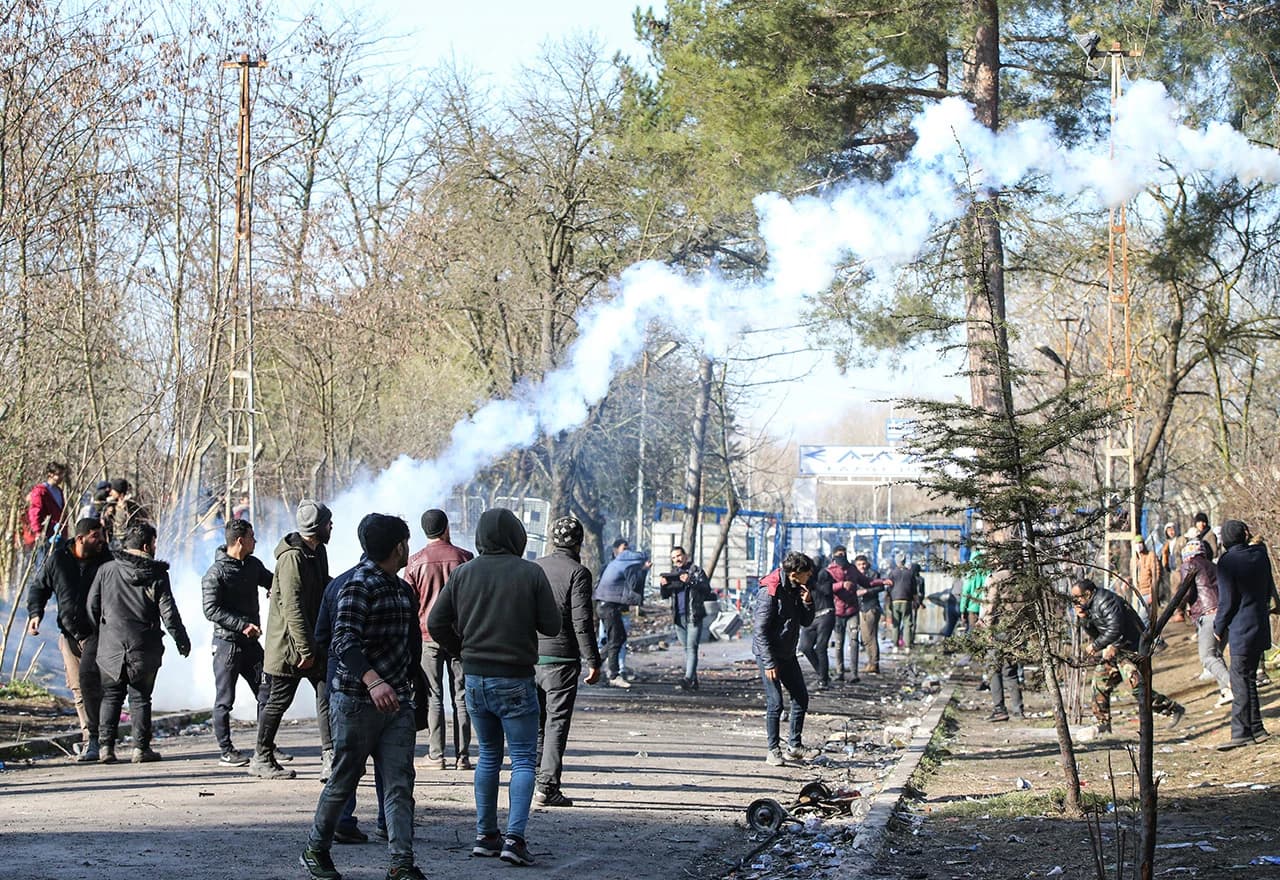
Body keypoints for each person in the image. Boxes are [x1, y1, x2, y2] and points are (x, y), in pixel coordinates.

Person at [428, 508, 560, 867]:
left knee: (488, 755)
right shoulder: (530, 572)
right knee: (522, 760)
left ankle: (486, 836)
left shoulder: (464, 573)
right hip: (515, 679)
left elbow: (436, 622)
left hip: (474, 680)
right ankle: (514, 840)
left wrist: (462, 651)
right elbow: (551, 625)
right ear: (517, 536)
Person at [301, 514, 425, 880]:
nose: (408, 548)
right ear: (398, 546)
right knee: (344, 779)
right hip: (356, 701)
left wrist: (410, 688)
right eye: (406, 542)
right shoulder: (357, 585)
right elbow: (342, 642)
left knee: (400, 784)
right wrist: (374, 682)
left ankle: (401, 864)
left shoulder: (403, 589)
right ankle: (315, 849)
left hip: (397, 705)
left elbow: (409, 647)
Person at [87, 521, 191, 763]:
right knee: (141, 697)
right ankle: (140, 749)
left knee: (111, 696)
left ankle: (106, 749)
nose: (156, 547)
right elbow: (169, 613)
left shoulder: (106, 570)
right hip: (144, 646)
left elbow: (92, 605)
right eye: (154, 543)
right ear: (146, 545)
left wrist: (101, 630)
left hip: (110, 645)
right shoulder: (157, 575)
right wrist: (181, 640)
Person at [313, 521, 386, 846]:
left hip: (341, 681)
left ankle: (343, 819)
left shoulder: (336, 585)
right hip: (382, 681)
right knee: (388, 758)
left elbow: (321, 637)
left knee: (348, 756)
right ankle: (389, 820)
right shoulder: (389, 587)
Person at [253, 499, 333, 780]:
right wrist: (305, 649)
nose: (331, 526)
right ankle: (261, 757)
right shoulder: (292, 559)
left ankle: (330, 758)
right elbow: (293, 607)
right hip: (291, 647)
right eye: (328, 523)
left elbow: (324, 586)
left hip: (312, 642)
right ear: (317, 527)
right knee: (278, 701)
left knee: (327, 696)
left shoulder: (317, 551)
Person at [25, 517, 111, 760]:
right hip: (69, 635)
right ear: (81, 538)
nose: (101, 541)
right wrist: (35, 613)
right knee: (78, 689)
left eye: (102, 535)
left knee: (92, 682)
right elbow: (39, 588)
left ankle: (103, 738)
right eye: (96, 536)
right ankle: (91, 740)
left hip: (99, 632)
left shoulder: (106, 559)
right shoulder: (59, 560)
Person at [532, 515, 601, 807]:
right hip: (561, 660)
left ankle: (534, 779)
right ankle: (547, 787)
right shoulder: (579, 573)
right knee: (556, 723)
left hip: (530, 656)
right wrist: (593, 660)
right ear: (579, 542)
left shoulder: (535, 568)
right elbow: (581, 621)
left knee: (537, 723)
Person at [403, 508, 474, 770]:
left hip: (427, 637)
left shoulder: (414, 562)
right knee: (461, 696)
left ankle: (436, 754)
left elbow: (409, 604)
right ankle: (463, 756)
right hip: (459, 638)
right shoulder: (465, 558)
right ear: (446, 528)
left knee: (434, 695)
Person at [1070, 578, 1184, 735]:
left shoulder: (1106, 601)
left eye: (1078, 597)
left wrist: (1098, 646)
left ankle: (1172, 708)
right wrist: (1084, 619)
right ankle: (1103, 724)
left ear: (1088, 594)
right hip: (1116, 649)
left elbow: (1115, 629)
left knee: (1137, 687)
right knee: (1100, 682)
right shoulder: (1089, 606)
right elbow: (1097, 633)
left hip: (1131, 648)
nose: (1075, 601)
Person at [201, 518, 273, 767]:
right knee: (225, 700)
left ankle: (266, 747)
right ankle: (226, 750)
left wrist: (278, 588)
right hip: (227, 645)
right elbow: (210, 609)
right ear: (240, 541)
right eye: (253, 537)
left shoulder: (252, 565)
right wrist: (242, 625)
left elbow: (270, 579)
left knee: (267, 692)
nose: (256, 541)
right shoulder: (216, 573)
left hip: (252, 646)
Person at [1213, 520, 1273, 750]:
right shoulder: (1260, 555)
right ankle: (1257, 728)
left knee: (1240, 680)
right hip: (1260, 625)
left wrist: (1219, 628)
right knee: (1249, 679)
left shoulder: (1227, 562)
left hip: (1240, 629)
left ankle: (1240, 732)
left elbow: (1227, 601)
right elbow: (1268, 589)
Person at [753, 551, 815, 765]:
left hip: (787, 653)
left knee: (800, 696)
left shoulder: (798, 589)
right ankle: (773, 750)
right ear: (795, 573)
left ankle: (794, 746)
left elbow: (806, 622)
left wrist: (808, 602)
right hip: (768, 654)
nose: (810, 576)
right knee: (775, 702)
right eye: (807, 573)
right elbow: (760, 631)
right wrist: (769, 662)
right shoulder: (770, 591)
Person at [1177, 539, 1231, 706]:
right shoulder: (1213, 566)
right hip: (1224, 614)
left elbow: (1186, 591)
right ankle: (1226, 691)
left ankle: (1234, 686)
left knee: (1207, 657)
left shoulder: (1189, 564)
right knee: (1216, 654)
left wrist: (1179, 607)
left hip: (1208, 614)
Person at [593, 537, 649, 689]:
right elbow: (634, 585)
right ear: (616, 549)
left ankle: (596, 664)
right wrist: (643, 568)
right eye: (625, 548)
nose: (628, 551)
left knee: (618, 638)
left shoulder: (617, 563)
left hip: (608, 606)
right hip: (609, 607)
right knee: (615, 639)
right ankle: (613, 675)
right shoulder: (626, 562)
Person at [658, 545, 712, 691]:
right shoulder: (673, 573)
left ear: (685, 556)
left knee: (692, 647)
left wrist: (690, 581)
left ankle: (688, 679)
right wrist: (663, 586)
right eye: (674, 558)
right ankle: (693, 680)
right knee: (687, 649)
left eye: (679, 556)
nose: (677, 559)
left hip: (694, 614)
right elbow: (665, 595)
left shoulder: (696, 571)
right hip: (678, 616)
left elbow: (706, 589)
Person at [976, 568, 1023, 722]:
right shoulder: (1022, 576)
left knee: (993, 668)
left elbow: (991, 605)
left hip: (999, 628)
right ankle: (1018, 710)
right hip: (1016, 628)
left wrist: (988, 629)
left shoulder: (996, 578)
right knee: (1011, 669)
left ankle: (999, 709)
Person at [798, 549, 836, 689]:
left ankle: (823, 680)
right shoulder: (803, 575)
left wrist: (813, 582)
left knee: (820, 647)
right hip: (811, 616)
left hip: (826, 613)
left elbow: (826, 591)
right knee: (805, 647)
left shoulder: (823, 574)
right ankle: (822, 674)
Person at [23, 463, 68, 573]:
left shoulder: (59, 491)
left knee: (58, 568)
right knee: (44, 567)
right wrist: (38, 532)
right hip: (46, 535)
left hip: (58, 534)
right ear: (50, 474)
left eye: (62, 474)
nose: (61, 477)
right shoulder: (40, 491)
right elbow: (35, 511)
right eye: (58, 474)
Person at [826, 546, 859, 681]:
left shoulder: (852, 569)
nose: (842, 557)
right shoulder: (829, 571)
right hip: (838, 611)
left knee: (854, 641)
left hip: (852, 610)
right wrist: (841, 585)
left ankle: (854, 673)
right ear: (834, 556)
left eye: (844, 554)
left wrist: (881, 582)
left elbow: (865, 581)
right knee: (839, 643)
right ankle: (840, 672)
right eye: (840, 555)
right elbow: (826, 587)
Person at [887, 555, 923, 652]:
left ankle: (895, 645)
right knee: (907, 623)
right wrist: (916, 601)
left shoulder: (892, 573)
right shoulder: (910, 573)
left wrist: (888, 602)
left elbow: (888, 588)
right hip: (907, 600)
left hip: (895, 600)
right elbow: (914, 589)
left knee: (896, 624)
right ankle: (907, 646)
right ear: (905, 561)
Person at [1132, 536, 1160, 624]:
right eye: (1136, 543)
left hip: (1148, 593)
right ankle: (1155, 638)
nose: (1138, 545)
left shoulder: (1151, 556)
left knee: (1142, 619)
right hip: (1138, 593)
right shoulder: (1133, 560)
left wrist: (1153, 593)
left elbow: (1156, 575)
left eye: (1140, 543)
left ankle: (1153, 637)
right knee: (1147, 621)